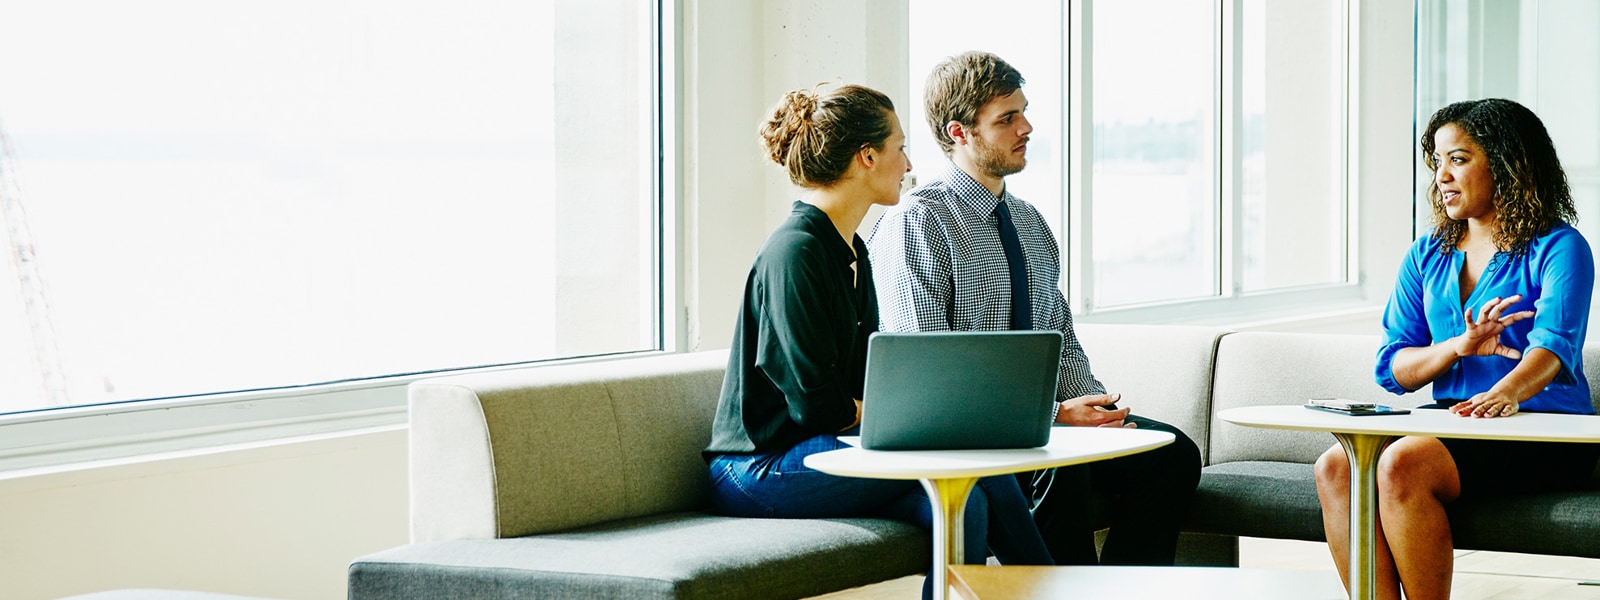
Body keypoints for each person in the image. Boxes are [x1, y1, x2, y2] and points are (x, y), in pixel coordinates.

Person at [703, 83, 1053, 599]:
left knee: (971, 493)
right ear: (867, 156)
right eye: (900, 147)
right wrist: (906, 417)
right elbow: (816, 407)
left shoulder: (853, 249)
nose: (909, 164)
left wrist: (910, 413)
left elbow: (861, 380)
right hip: (758, 467)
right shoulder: (794, 254)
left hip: (822, 451)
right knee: (969, 475)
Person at [867, 51, 1202, 566]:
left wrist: (1093, 409)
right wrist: (1054, 419)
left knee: (1171, 455)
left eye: (1023, 112)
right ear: (960, 132)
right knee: (1065, 463)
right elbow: (934, 376)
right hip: (970, 441)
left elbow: (1060, 338)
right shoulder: (918, 224)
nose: (1027, 127)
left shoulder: (1030, 223)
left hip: (1043, 429)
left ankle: (1117, 593)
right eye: (1007, 119)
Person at [1313, 98, 1600, 600]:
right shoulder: (1428, 253)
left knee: (1403, 462)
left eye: (1459, 159)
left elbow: (1553, 348)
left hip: (1544, 433)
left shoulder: (1560, 246)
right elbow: (1394, 369)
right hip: (1450, 421)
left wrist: (1506, 392)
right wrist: (1459, 346)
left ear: (1509, 163)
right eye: (1438, 162)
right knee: (1335, 466)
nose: (1442, 176)